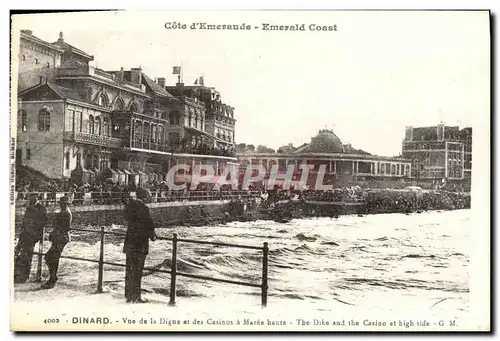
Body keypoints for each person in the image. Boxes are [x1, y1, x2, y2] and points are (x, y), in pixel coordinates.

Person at [123, 189, 157, 303]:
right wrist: (153, 236)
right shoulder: (144, 208)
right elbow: (149, 225)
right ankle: (136, 296)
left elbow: (126, 218)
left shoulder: (129, 206)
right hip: (140, 244)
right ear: (144, 197)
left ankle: (128, 295)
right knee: (138, 271)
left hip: (130, 243)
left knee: (129, 269)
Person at [14, 193, 47, 284]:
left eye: (33, 198)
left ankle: (23, 276)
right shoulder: (29, 208)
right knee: (18, 253)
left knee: (27, 255)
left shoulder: (42, 208)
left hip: (32, 236)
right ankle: (17, 274)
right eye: (30, 198)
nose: (31, 199)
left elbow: (42, 223)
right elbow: (24, 222)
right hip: (24, 234)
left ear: (37, 198)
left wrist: (34, 233)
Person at [41, 195, 72, 289]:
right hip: (59, 237)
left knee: (51, 257)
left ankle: (52, 279)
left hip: (61, 238)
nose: (61, 205)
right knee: (51, 257)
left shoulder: (66, 213)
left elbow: (66, 228)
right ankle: (53, 277)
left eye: (63, 204)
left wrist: (55, 232)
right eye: (61, 203)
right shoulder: (64, 211)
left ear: (65, 204)